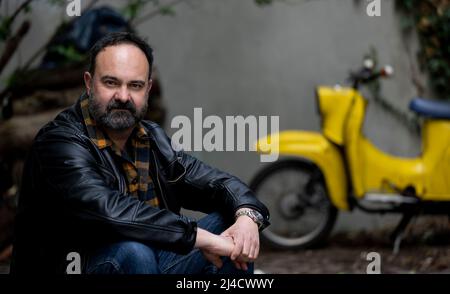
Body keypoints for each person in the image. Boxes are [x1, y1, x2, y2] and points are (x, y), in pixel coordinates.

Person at [10, 32, 270, 274]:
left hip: (148, 263)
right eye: (111, 82)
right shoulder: (59, 143)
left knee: (232, 225)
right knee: (134, 251)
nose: (123, 96)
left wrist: (247, 216)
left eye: (134, 86)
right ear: (89, 83)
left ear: (147, 89)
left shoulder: (151, 139)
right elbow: (111, 211)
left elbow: (217, 182)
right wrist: (200, 239)